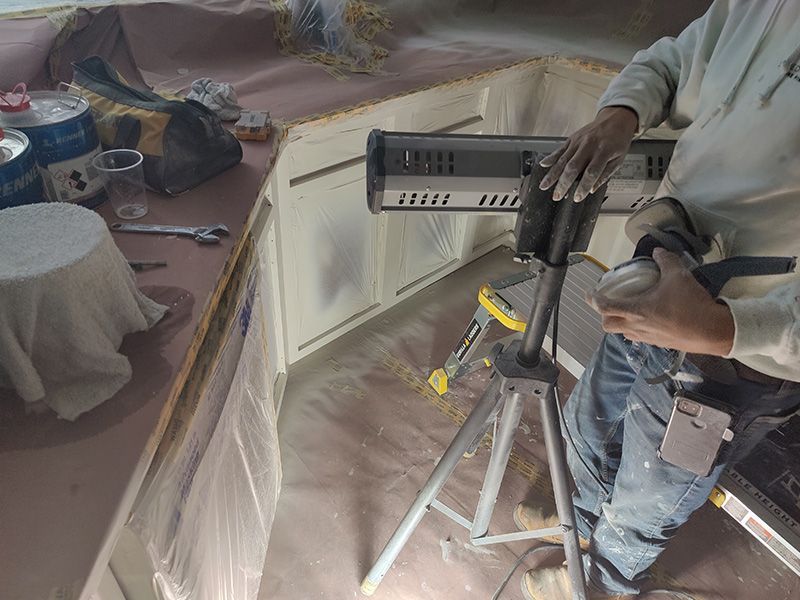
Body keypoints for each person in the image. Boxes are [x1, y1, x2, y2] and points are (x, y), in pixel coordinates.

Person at [515, 1, 800, 598]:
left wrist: (723, 329)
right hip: (658, 275)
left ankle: (604, 580)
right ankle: (580, 518)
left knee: (656, 486)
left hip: (738, 355)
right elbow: (673, 62)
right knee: (594, 417)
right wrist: (622, 113)